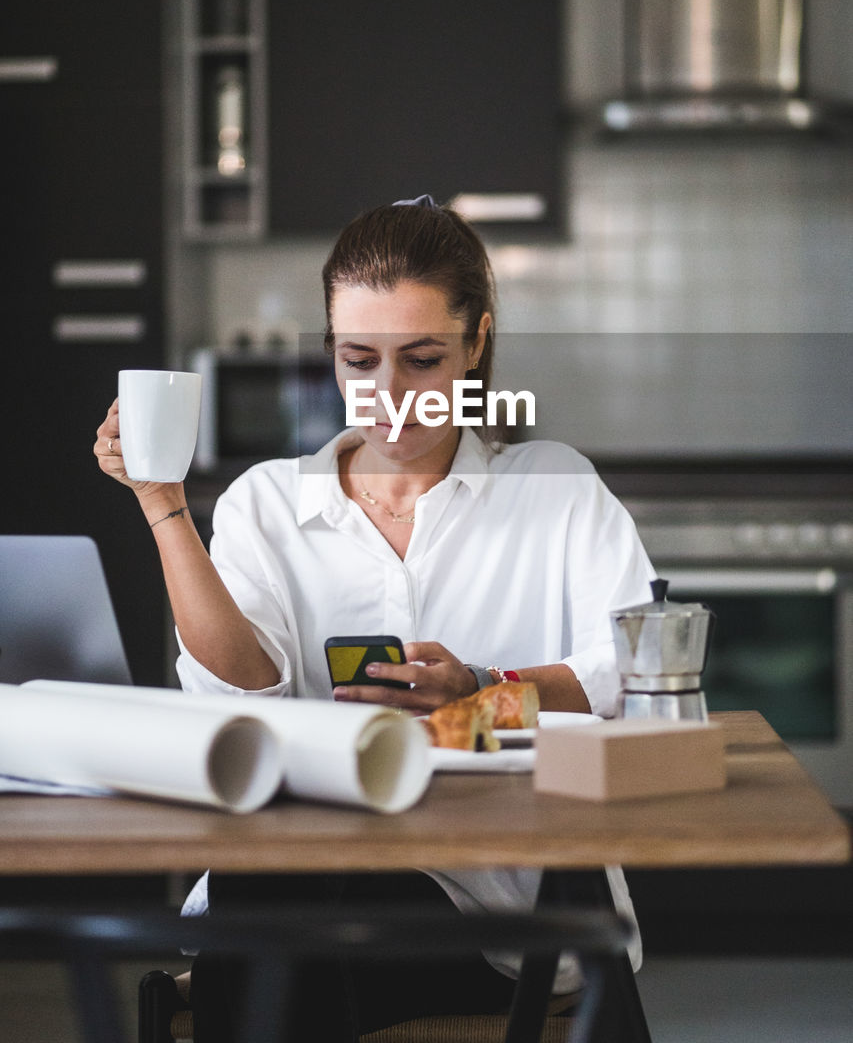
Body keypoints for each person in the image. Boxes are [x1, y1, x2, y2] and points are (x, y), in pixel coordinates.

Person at [95, 195, 654, 1040]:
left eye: (422, 359)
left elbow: (634, 676)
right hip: (295, 874)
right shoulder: (267, 503)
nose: (389, 395)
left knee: (286, 926)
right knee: (283, 900)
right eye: (360, 360)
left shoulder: (555, 487)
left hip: (492, 904)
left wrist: (483, 694)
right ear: (332, 356)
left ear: (475, 343)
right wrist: (162, 505)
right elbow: (238, 688)